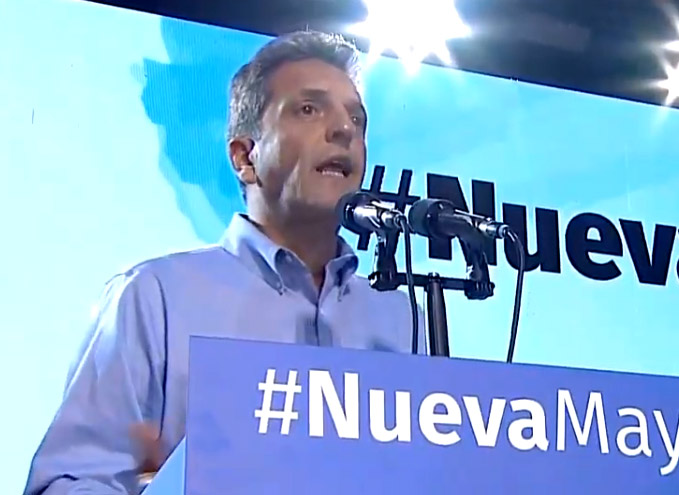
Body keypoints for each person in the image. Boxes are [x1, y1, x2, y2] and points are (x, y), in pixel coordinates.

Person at [24, 30, 425, 494]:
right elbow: (68, 482)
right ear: (244, 157)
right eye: (308, 110)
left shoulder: (403, 320)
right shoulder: (155, 297)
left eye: (356, 118)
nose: (344, 130)